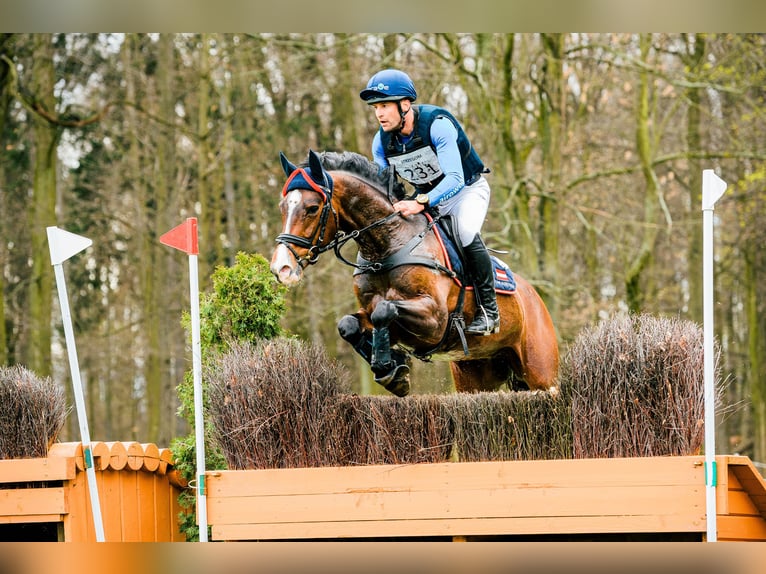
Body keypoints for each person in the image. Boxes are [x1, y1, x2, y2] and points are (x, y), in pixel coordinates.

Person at [359, 68, 499, 335]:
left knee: (465, 231)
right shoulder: (381, 142)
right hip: (428, 199)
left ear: (405, 105)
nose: (379, 113)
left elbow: (455, 178)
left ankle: (489, 312)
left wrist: (420, 202)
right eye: (376, 107)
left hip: (467, 190)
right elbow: (385, 188)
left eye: (385, 106)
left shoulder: (437, 124)